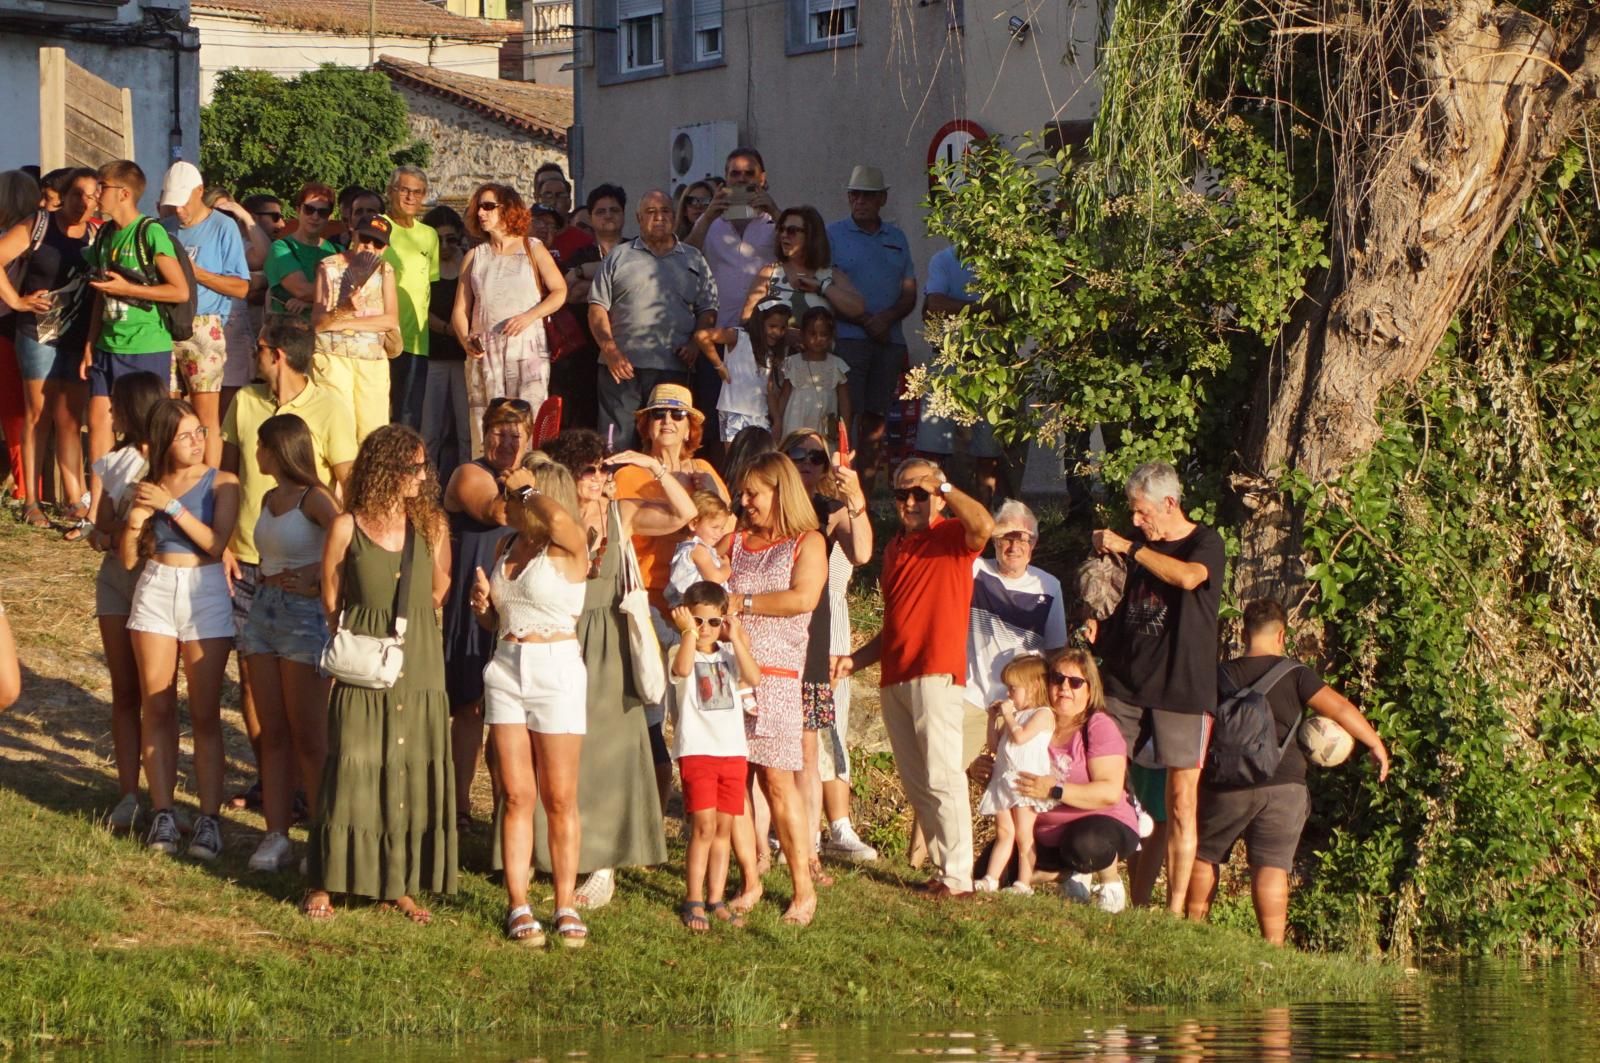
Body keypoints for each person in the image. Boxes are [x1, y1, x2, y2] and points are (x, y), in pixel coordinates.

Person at [536, 428, 693, 909]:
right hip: (560, 634)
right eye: (589, 469)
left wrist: (652, 466)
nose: (599, 476)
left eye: (603, 468)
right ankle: (553, 851)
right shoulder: (550, 516)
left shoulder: (619, 513)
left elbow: (684, 513)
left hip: (608, 641)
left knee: (607, 751)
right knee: (559, 748)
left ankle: (603, 864)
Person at [306, 425, 455, 923]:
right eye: (414, 467)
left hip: (419, 659)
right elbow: (331, 599)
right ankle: (325, 879)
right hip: (364, 658)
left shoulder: (431, 524)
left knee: (407, 768)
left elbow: (439, 591)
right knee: (352, 761)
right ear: (386, 468)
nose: (422, 476)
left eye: (423, 467)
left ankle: (399, 884)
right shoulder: (346, 526)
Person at [1186, 598, 1390, 945]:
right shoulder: (1296, 674)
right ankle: (1274, 948)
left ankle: (1193, 932)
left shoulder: (1220, 675)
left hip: (1227, 783)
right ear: (1282, 635)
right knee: (1271, 865)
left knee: (1205, 855)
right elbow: (1340, 708)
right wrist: (1375, 744)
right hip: (1284, 785)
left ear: (1243, 633)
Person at [834, 457, 995, 896]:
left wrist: (945, 487)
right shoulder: (894, 548)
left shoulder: (952, 535)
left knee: (943, 775)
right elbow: (895, 624)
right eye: (902, 493)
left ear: (937, 497)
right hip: (896, 675)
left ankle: (958, 877)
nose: (909, 502)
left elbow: (984, 526)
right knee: (917, 781)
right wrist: (854, 661)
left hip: (936, 672)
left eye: (920, 494)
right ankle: (944, 872)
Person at [1090, 460, 1228, 916]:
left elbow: (1189, 578)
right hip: (1125, 685)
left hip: (1183, 689)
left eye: (1142, 511)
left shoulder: (1205, 542)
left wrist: (1129, 547)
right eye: (1132, 512)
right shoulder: (1139, 548)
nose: (1135, 520)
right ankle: (1111, 888)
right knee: (1103, 779)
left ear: (1169, 503)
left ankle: (1174, 911)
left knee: (1181, 801)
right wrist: (1096, 627)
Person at [470, 460, 591, 947]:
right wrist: (485, 609)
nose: (509, 500)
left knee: (559, 796)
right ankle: (518, 903)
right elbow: (499, 619)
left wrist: (526, 490)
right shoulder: (506, 545)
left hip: (555, 671)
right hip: (506, 667)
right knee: (516, 793)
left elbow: (559, 521)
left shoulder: (569, 545)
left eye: (517, 494)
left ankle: (564, 903)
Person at [121, 398, 241, 860]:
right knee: (157, 706)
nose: (196, 442)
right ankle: (163, 812)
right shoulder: (149, 484)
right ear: (163, 442)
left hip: (204, 590)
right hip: (155, 585)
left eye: (199, 432)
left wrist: (170, 507)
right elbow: (127, 560)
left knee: (205, 713)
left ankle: (209, 818)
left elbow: (215, 543)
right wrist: (135, 522)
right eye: (185, 436)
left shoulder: (222, 482)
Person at [613, 383, 730, 808]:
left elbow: (728, 525)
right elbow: (653, 522)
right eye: (658, 414)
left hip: (693, 612)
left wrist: (713, 563)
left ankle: (700, 810)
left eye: (677, 415)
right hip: (644, 601)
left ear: (690, 427)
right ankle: (653, 812)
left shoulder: (703, 469)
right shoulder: (629, 471)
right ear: (645, 424)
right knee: (650, 712)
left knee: (696, 715)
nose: (667, 421)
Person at [723, 451, 826, 925]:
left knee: (777, 782)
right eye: (743, 493)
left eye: (754, 493)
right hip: (728, 674)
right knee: (734, 780)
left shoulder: (808, 542)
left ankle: (803, 889)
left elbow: (803, 598)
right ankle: (751, 880)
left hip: (778, 677)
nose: (745, 502)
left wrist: (740, 602)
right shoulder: (735, 541)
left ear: (780, 492)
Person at [238, 413, 339, 873]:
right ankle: (275, 834)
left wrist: (318, 575)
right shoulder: (268, 497)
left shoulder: (314, 498)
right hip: (264, 611)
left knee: (309, 737)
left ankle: (321, 838)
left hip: (304, 617)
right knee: (272, 731)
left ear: (278, 450)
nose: (255, 454)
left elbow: (348, 538)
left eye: (261, 446)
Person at [777, 428, 876, 864]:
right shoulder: (771, 506)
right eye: (796, 454)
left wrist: (855, 498)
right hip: (783, 618)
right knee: (787, 728)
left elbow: (863, 553)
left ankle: (838, 826)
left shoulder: (831, 510)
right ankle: (791, 826)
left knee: (828, 726)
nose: (806, 462)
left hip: (828, 621)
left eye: (816, 457)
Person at [81, 160, 190, 535]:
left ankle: (149, 506)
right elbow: (100, 293)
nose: (96, 193)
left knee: (147, 430)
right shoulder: (105, 234)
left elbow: (179, 290)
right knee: (98, 422)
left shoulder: (150, 232)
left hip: (145, 346)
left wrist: (127, 289)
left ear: (124, 193)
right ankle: (97, 508)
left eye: (102, 186)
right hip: (107, 345)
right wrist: (90, 342)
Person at [441, 399, 531, 827]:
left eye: (517, 435)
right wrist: (528, 489)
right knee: (469, 706)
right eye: (499, 432)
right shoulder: (469, 474)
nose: (507, 442)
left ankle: (505, 812)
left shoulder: (530, 478)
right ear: (483, 432)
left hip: (518, 604)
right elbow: (496, 510)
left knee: (510, 712)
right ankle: (459, 807)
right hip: (471, 600)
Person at [1003, 647, 1143, 911]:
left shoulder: (1098, 726)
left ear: (1090, 690)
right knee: (992, 871)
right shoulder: (1034, 720)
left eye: (1076, 682)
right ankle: (1064, 874)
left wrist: (1054, 790)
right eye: (1057, 679)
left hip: (1100, 823)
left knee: (1085, 844)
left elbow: (1109, 792)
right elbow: (1013, 771)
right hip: (1041, 831)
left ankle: (1110, 883)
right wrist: (984, 770)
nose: (1065, 687)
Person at [87, 370, 164, 833]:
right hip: (115, 580)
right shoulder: (115, 461)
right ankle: (128, 794)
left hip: (154, 583)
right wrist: (120, 527)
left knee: (156, 694)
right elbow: (100, 525)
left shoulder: (169, 462)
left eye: (116, 405)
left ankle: (161, 795)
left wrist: (119, 527)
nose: (110, 412)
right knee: (124, 691)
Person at [1, 167, 97, 533]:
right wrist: (17, 301)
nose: (84, 203)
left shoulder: (96, 233)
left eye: (92, 196)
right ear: (63, 196)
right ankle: (31, 500)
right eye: (78, 195)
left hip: (77, 333)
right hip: (38, 331)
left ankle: (74, 499)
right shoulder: (38, 225)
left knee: (71, 418)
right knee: (37, 414)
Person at [588, 190, 718, 447]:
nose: (659, 217)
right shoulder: (618, 256)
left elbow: (708, 309)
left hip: (673, 367)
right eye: (651, 212)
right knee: (616, 445)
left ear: (674, 216)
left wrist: (695, 343)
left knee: (666, 443)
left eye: (665, 211)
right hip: (621, 368)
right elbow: (597, 308)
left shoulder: (694, 258)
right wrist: (610, 349)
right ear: (638, 218)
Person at [669, 580, 761, 931]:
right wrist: (687, 634)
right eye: (698, 620)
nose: (705, 628)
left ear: (723, 620)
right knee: (703, 826)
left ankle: (715, 898)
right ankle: (694, 898)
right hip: (698, 751)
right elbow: (681, 671)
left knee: (723, 828)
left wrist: (735, 638)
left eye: (712, 621)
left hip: (732, 752)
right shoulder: (681, 651)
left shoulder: (729, 656)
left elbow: (754, 677)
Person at [451, 182, 568, 457]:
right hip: (485, 352)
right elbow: (460, 309)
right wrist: (465, 339)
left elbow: (560, 291)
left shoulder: (532, 248)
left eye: (488, 206)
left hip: (526, 348)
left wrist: (529, 316)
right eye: (478, 207)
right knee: (487, 429)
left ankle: (528, 478)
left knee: (528, 423)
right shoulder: (474, 257)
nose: (481, 213)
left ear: (508, 209)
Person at [826, 166, 917, 490]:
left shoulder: (897, 238)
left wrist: (885, 320)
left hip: (888, 340)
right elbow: (826, 288)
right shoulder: (833, 235)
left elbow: (909, 292)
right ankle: (838, 490)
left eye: (867, 195)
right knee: (845, 416)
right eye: (855, 194)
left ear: (882, 199)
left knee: (876, 419)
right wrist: (865, 321)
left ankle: (864, 493)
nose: (860, 201)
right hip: (848, 339)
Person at [159, 161, 250, 468]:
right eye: (173, 203)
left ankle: (209, 482)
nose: (179, 209)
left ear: (199, 191)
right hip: (166, 323)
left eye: (183, 201)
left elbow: (241, 287)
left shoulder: (223, 227)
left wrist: (196, 274)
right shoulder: (164, 228)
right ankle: (173, 475)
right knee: (168, 410)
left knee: (206, 413)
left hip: (204, 324)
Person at [965, 499, 1069, 750]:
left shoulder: (1048, 586)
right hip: (972, 699)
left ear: (1034, 544)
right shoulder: (975, 571)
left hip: (1023, 708)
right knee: (954, 770)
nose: (1014, 547)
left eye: (1023, 539)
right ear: (994, 539)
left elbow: (1056, 651)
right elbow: (965, 530)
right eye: (1006, 537)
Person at [918, 244, 1005, 503]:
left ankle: (984, 515)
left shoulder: (1004, 258)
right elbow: (934, 306)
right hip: (948, 358)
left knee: (987, 452)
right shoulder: (944, 258)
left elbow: (1006, 310)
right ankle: (934, 514)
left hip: (990, 363)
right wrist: (983, 310)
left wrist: (956, 309)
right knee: (933, 449)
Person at [311, 215, 399, 442]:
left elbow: (390, 320)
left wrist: (344, 320)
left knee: (373, 435)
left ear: (385, 248)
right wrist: (343, 309)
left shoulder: (385, 270)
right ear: (354, 235)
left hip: (371, 361)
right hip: (333, 358)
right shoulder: (328, 266)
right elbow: (318, 323)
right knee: (337, 432)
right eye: (365, 239)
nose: (370, 246)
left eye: (378, 243)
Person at [973, 654, 1055, 894]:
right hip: (1003, 780)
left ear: (1034, 687)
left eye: (1013, 688)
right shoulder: (1015, 717)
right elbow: (994, 745)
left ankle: (1023, 882)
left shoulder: (1042, 714)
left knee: (1023, 834)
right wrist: (993, 719)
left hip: (1024, 782)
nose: (1008, 694)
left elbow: (1020, 737)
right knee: (1004, 831)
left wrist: (1008, 716)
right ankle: (991, 878)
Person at [555, 183, 627, 430]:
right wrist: (617, 286)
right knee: (584, 414)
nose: (608, 215)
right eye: (601, 211)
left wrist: (584, 273)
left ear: (624, 214)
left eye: (614, 210)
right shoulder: (580, 254)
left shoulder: (636, 249)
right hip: (584, 348)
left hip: (625, 346)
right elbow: (572, 293)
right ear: (592, 217)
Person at [739, 206, 865, 326]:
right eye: (781, 229)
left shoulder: (831, 275)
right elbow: (746, 320)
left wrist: (822, 287)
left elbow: (858, 309)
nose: (783, 235)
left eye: (792, 230)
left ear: (811, 236)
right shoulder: (770, 273)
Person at [382, 166, 440, 430]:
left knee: (408, 418)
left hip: (416, 342)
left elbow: (429, 288)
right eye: (404, 190)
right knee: (377, 414)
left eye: (417, 192)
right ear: (390, 191)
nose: (410, 197)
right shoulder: (377, 227)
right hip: (380, 338)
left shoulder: (429, 235)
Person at [420, 204, 469, 480]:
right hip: (434, 355)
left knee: (466, 430)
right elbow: (419, 307)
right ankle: (425, 486)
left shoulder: (468, 263)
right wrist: (448, 328)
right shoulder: (424, 266)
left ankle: (467, 485)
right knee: (430, 430)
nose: (445, 246)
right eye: (438, 240)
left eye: (451, 238)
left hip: (464, 356)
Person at [0, 169, 39, 503]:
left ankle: (25, 485)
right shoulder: (34, 238)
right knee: (21, 411)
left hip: (7, 324)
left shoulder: (13, 239)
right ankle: (26, 484)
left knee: (14, 411)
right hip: (20, 326)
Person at [696, 298, 789, 440]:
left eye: (782, 328)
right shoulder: (739, 336)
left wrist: (777, 420)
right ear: (760, 321)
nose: (777, 332)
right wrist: (719, 366)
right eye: (772, 326)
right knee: (736, 453)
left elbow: (768, 389)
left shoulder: (769, 351)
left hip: (760, 414)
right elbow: (701, 336)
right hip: (733, 410)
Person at [265, 182, 339, 320]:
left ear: (329, 216)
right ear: (298, 210)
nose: (315, 216)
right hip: (288, 330)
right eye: (309, 209)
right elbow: (302, 290)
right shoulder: (281, 248)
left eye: (322, 212)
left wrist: (310, 304)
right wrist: (340, 293)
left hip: (327, 330)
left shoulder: (337, 250)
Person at [774, 306, 850, 439]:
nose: (818, 339)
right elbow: (784, 396)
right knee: (796, 449)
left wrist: (845, 432)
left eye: (823, 334)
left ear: (831, 336)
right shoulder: (792, 363)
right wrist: (777, 422)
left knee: (822, 450)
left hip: (824, 426)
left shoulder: (837, 365)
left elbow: (845, 402)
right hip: (795, 424)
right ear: (802, 335)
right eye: (812, 334)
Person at [665, 490, 733, 606]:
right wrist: (726, 567)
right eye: (715, 527)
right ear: (693, 524)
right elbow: (715, 578)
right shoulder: (698, 549)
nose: (719, 533)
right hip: (700, 606)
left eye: (722, 528)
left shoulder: (686, 546)